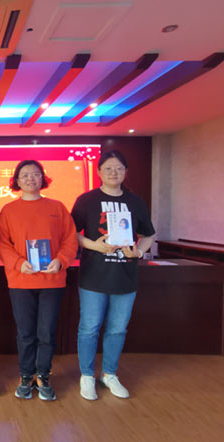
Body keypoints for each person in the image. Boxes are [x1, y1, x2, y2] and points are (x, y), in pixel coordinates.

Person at [71, 150, 156, 400]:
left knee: (117, 329)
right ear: (98, 172)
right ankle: (87, 375)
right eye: (108, 168)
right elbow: (71, 233)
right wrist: (94, 246)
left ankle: (109, 374)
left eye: (119, 168)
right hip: (93, 276)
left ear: (125, 172)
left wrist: (138, 251)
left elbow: (149, 234)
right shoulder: (86, 200)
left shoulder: (136, 202)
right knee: (89, 328)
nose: (113, 173)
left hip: (125, 276)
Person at [0, 160, 78, 401]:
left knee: (47, 332)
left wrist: (61, 260)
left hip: (52, 280)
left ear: (43, 178)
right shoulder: (9, 210)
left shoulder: (57, 207)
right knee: (25, 333)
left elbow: (70, 239)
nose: (30, 179)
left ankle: (43, 376)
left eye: (35, 174)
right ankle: (25, 376)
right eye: (25, 175)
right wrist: (18, 262)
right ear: (17, 181)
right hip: (21, 281)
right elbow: (2, 243)